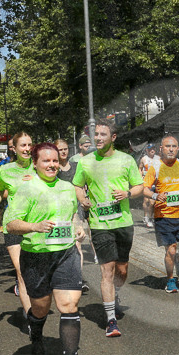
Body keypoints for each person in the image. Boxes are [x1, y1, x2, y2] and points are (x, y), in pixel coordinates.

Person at [5, 143, 86, 355]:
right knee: (40, 308)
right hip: (36, 256)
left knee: (69, 305)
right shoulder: (27, 189)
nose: (51, 165)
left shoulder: (67, 188)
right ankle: (37, 335)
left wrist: (78, 227)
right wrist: (34, 226)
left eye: (54, 162)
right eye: (45, 161)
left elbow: (73, 215)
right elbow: (11, 224)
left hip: (65, 253)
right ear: (36, 164)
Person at [73, 122, 145, 337]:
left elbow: (139, 186)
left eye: (103, 134)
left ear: (113, 137)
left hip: (123, 223)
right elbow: (77, 185)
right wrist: (83, 199)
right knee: (107, 270)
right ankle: (111, 320)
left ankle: (116, 293)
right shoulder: (86, 162)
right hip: (99, 224)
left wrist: (128, 194)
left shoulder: (126, 159)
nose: (99, 138)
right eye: (96, 134)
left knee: (121, 271)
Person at [142, 136, 179, 293]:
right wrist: (155, 196)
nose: (171, 149)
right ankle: (170, 279)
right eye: (167, 146)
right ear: (161, 149)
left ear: (178, 149)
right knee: (170, 249)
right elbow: (144, 188)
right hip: (163, 216)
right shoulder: (155, 167)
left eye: (174, 146)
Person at [0, 132, 36, 320]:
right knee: (21, 270)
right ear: (14, 148)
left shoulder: (40, 166)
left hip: (36, 225)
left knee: (37, 270)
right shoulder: (6, 170)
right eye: (23, 146)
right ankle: (30, 317)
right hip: (13, 224)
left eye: (29, 145)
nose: (27, 149)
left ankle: (37, 306)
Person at [55, 138, 90, 293]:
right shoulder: (53, 169)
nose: (63, 152)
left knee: (77, 243)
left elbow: (84, 184)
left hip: (75, 209)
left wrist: (84, 198)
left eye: (65, 149)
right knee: (60, 245)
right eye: (60, 149)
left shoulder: (76, 166)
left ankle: (77, 278)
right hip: (57, 211)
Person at [139, 143, 160, 228]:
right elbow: (140, 168)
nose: (152, 150)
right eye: (150, 149)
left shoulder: (158, 159)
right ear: (147, 150)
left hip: (155, 183)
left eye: (154, 149)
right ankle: (146, 216)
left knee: (152, 202)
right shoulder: (144, 159)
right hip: (146, 183)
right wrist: (140, 178)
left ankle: (149, 218)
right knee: (146, 201)